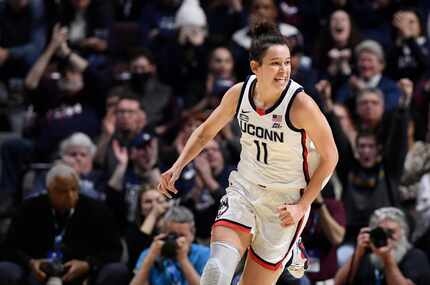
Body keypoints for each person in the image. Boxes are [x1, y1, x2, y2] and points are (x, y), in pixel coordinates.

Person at [157, 21, 338, 285]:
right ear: (256, 67)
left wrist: (302, 206)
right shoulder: (238, 94)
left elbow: (331, 156)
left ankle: (293, 246)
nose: (284, 70)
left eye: (287, 63)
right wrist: (178, 166)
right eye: (276, 63)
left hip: (285, 200)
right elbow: (206, 131)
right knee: (216, 271)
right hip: (245, 188)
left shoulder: (301, 105)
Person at [0, 163, 129, 285]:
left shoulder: (98, 210)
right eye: (63, 191)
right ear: (49, 190)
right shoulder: (29, 208)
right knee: (6, 269)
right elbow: (9, 248)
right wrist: (30, 262)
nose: (70, 196)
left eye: (74, 189)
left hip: (82, 274)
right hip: (38, 274)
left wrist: (88, 264)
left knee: (117, 270)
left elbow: (114, 250)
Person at [335, 207, 430, 285]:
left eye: (390, 232)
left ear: (403, 233)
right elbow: (339, 283)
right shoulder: (367, 255)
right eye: (381, 231)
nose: (386, 237)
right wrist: (358, 253)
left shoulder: (415, 256)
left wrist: (387, 258)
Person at [130, 206, 210, 285]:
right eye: (172, 235)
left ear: (192, 234)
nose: (177, 240)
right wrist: (151, 257)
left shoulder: (204, 254)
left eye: (182, 236)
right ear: (162, 233)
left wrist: (183, 260)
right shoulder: (149, 254)